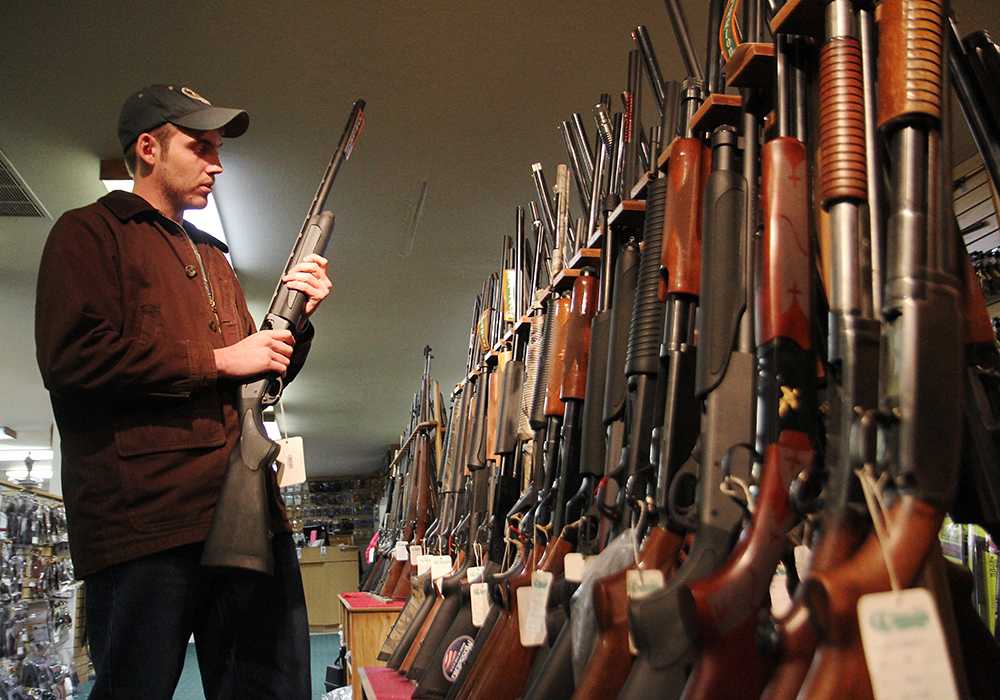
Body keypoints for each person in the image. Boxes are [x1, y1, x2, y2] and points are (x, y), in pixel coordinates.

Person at [34, 84, 333, 699]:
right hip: (145, 524)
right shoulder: (88, 233)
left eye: (218, 150)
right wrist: (220, 358)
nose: (216, 165)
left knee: (270, 689)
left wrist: (295, 322)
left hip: (245, 520)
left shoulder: (215, 259)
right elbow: (73, 359)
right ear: (148, 148)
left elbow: (257, 380)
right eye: (200, 148)